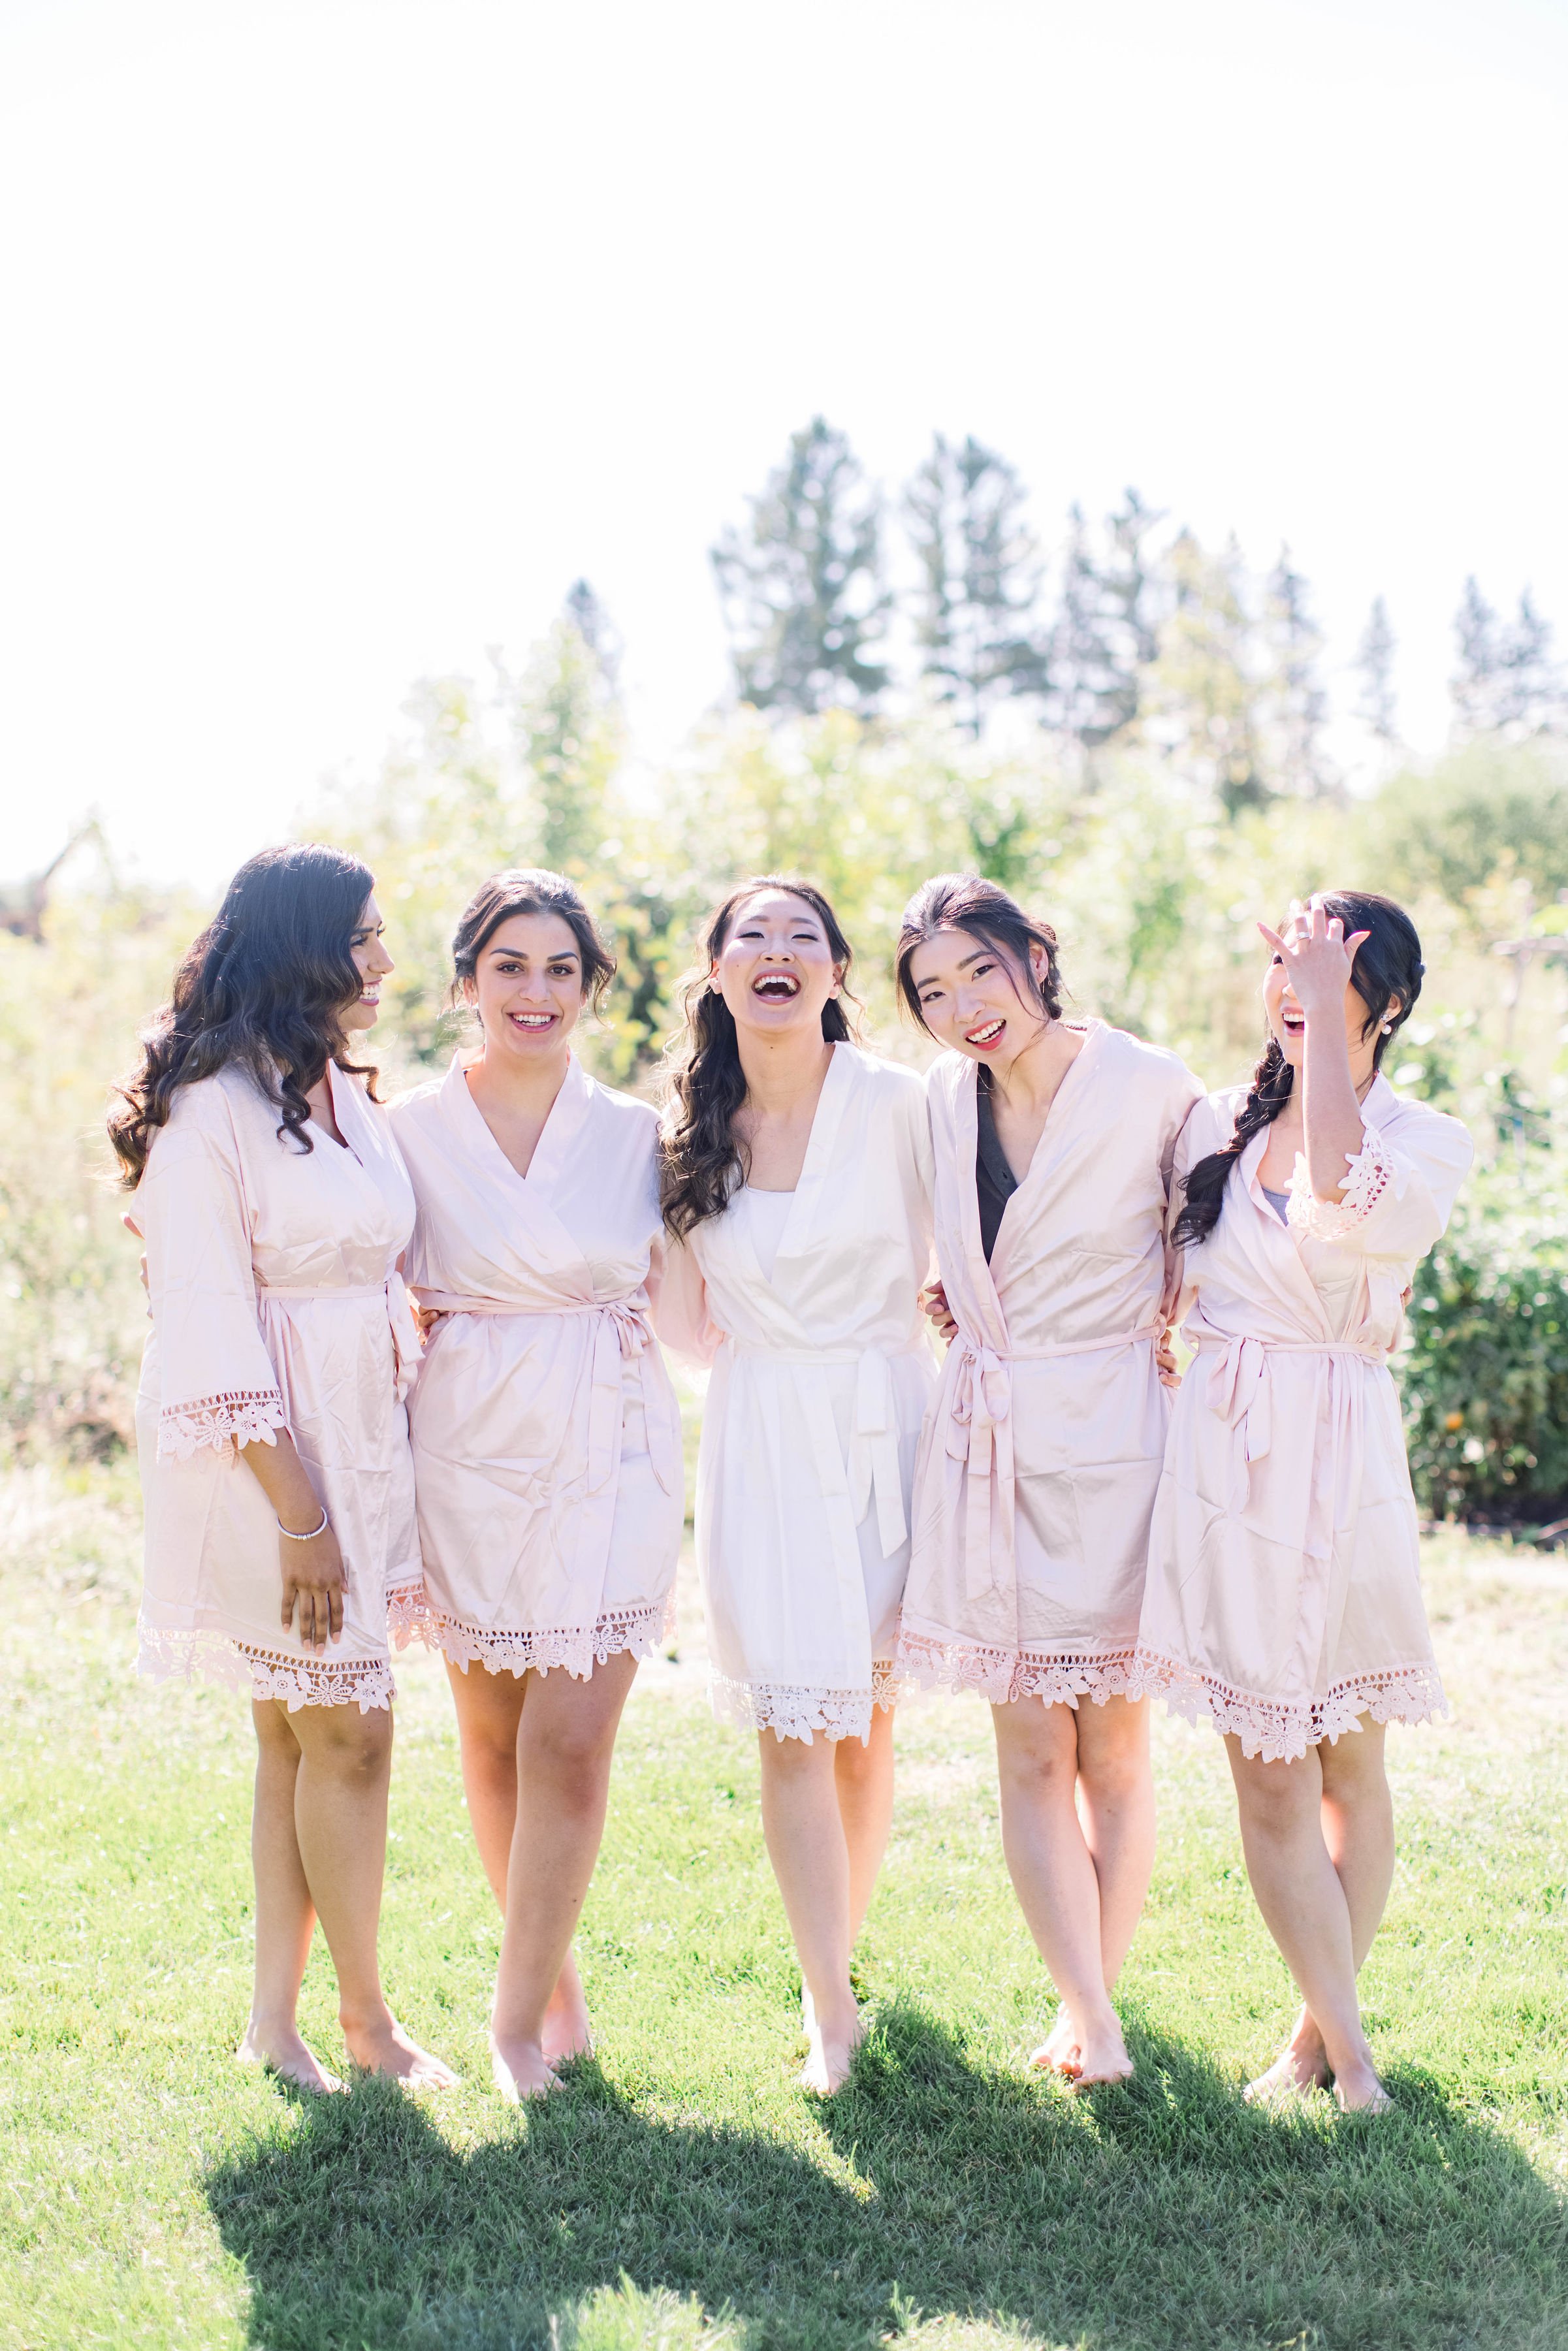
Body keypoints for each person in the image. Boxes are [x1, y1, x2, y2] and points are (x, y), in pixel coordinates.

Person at [110, 843, 455, 2094]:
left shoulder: (332, 1089)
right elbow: (205, 1321)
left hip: (355, 1432)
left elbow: (368, 1257)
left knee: (297, 1740)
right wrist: (300, 1512)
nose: (384, 961)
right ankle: (368, 2024)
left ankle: (276, 2020)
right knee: (351, 1736)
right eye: (363, 937)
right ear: (302, 945)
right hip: (264, 1457)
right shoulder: (210, 1111)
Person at [1134, 892, 1473, 2113]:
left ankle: (1312, 2039)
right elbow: (1155, 1272)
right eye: (1284, 966)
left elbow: (1346, 1197)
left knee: (1347, 1762)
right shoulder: (1211, 1126)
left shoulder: (1423, 1138)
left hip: (1341, 1461)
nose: (1296, 989)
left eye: (1328, 974)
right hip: (1226, 1465)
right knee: (1266, 1772)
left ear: (1382, 1001)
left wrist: (1322, 1039)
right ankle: (1349, 2050)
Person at [893, 873, 1202, 2086]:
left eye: (980, 970)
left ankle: (1093, 2001)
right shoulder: (938, 1100)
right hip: (989, 1442)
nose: (964, 1007)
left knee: (1114, 1748)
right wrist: (958, 1298)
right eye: (931, 991)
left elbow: (1205, 1241)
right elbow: (955, 1252)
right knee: (1027, 1745)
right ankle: (1091, 2011)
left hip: (1118, 1433)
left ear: (1035, 953)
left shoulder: (1148, 1084)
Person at [390, 870, 683, 2102]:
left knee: (570, 1746)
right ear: (467, 983)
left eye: (562, 968)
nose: (537, 991)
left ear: (590, 989)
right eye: (511, 965)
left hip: (610, 1444)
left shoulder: (635, 1134)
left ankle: (512, 2029)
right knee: (493, 1737)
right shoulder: (402, 1129)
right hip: (464, 1444)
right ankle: (551, 1990)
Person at [655, 878, 935, 2093]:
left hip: (885, 1421)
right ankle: (830, 2009)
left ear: (835, 974)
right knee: (790, 1727)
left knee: (865, 1732)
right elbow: (677, 1321)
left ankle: (842, 1954)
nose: (777, 955)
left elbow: (980, 1242)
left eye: (802, 939)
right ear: (715, 974)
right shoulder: (685, 1133)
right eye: (751, 939)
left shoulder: (900, 1105)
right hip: (765, 1432)